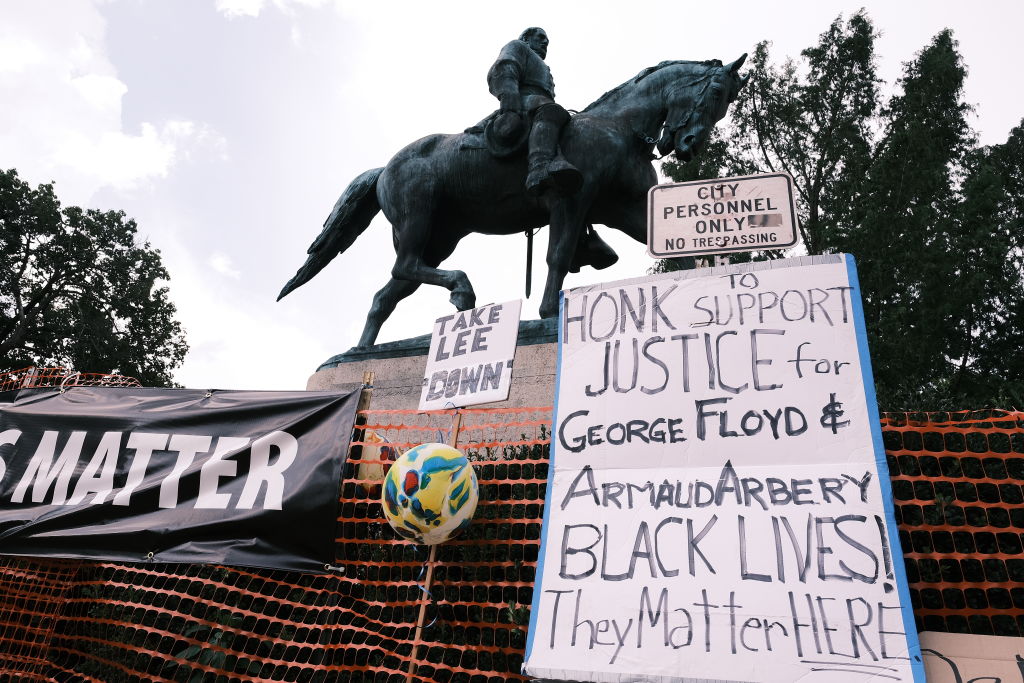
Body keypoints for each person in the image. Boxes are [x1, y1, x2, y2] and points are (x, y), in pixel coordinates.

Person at [487, 27, 583, 196]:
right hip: (524, 100)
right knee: (551, 111)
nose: (545, 42)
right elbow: (504, 68)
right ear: (526, 38)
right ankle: (539, 167)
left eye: (547, 40)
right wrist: (509, 101)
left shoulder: (544, 67)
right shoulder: (518, 46)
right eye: (540, 37)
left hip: (539, 102)